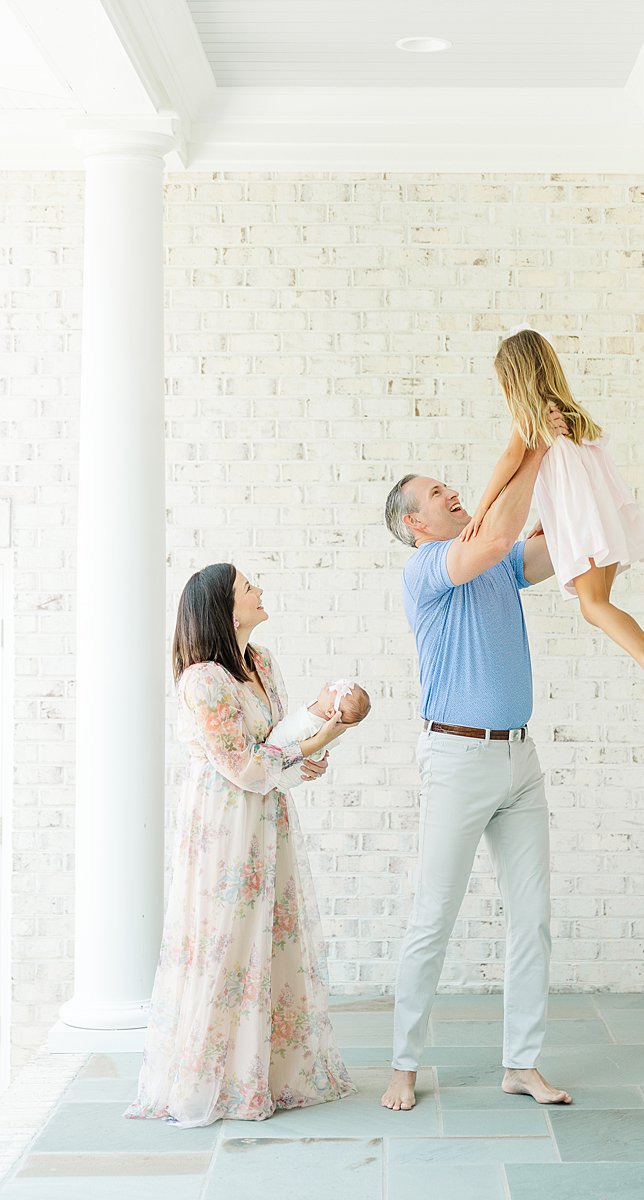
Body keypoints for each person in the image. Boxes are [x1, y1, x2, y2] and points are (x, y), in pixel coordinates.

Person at [381, 404, 573, 1113]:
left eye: (448, 485)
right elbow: (494, 539)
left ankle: (521, 1062)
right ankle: (403, 1064)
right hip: (457, 760)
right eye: (435, 493)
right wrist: (527, 434)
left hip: (518, 761)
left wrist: (552, 456)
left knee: (534, 916)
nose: (450, 492)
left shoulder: (493, 564)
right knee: (434, 914)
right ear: (414, 525)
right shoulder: (433, 568)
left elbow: (543, 550)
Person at [125, 563, 355, 1127]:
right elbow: (242, 766)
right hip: (225, 822)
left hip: (266, 815)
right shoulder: (203, 679)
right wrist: (319, 741)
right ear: (224, 609)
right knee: (226, 940)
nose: (260, 590)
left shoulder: (262, 662)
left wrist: (304, 749)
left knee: (270, 934)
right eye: (248, 587)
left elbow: (271, 741)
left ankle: (269, 1072)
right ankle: (217, 1078)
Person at [460, 324, 644, 714]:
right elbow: (573, 477)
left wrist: (483, 510)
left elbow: (509, 461)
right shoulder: (572, 416)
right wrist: (551, 517)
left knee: (592, 605)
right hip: (601, 516)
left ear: (515, 380)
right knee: (598, 601)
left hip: (585, 521)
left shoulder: (534, 415)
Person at [270, 679, 371, 789]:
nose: (327, 684)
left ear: (330, 712)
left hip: (277, 777)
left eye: (329, 690)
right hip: (266, 761)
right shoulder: (319, 707)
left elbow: (313, 756)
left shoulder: (313, 727)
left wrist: (318, 755)